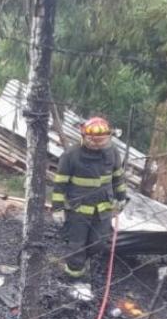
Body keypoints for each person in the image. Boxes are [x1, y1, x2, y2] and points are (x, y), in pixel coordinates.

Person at [51, 116, 127, 279]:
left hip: (103, 209)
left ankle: (82, 262)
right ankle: (73, 276)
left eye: (101, 140)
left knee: (98, 243)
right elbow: (60, 184)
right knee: (76, 245)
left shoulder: (112, 152)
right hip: (78, 209)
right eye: (92, 140)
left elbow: (118, 176)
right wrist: (57, 208)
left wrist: (121, 197)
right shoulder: (71, 155)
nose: (97, 143)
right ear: (83, 136)